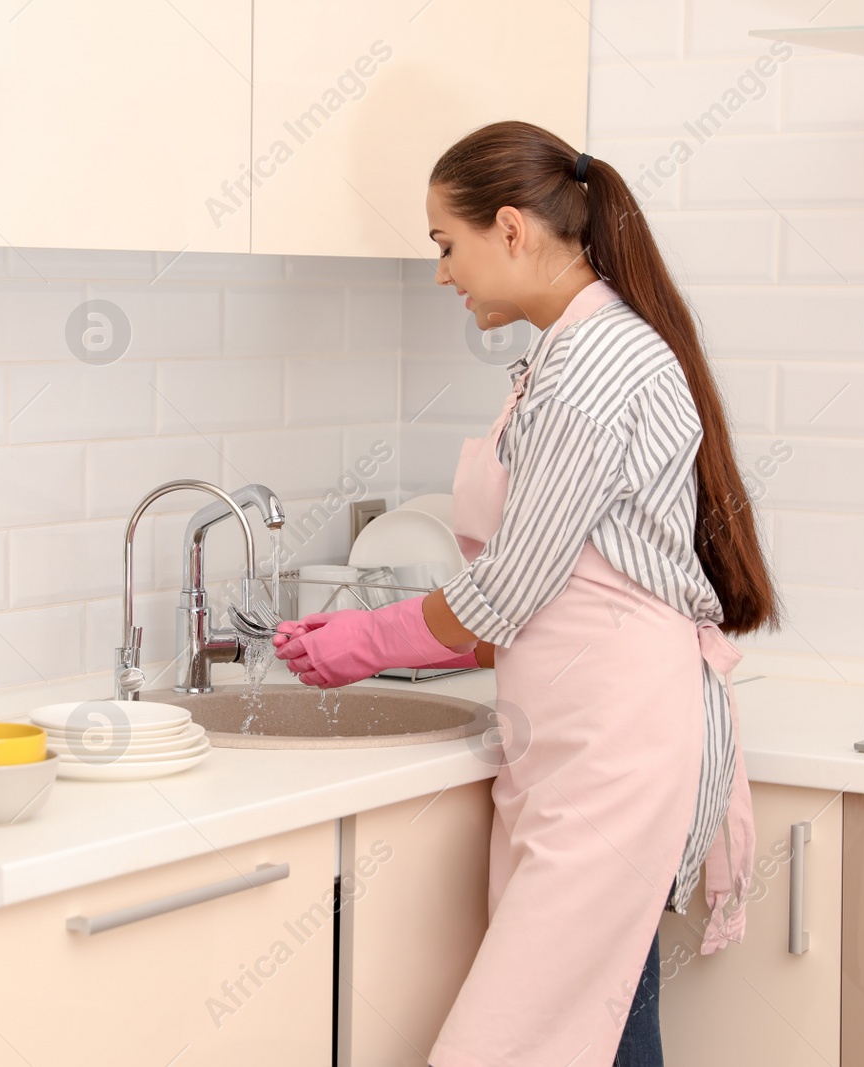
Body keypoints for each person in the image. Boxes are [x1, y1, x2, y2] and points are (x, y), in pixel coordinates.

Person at [272, 120, 778, 1067]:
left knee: (507, 1046)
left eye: (444, 244)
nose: (440, 274)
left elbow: (509, 587)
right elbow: (554, 579)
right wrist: (434, 636)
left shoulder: (590, 369)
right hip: (574, 736)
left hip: (612, 749)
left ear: (509, 229)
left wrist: (372, 637)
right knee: (601, 1016)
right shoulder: (568, 353)